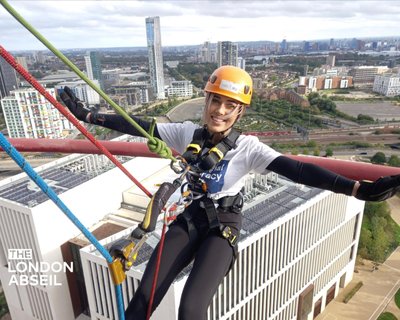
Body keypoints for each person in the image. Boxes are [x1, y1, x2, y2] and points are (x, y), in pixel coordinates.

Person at [60, 66, 400, 320]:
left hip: (222, 226)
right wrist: (87, 114)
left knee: (191, 309)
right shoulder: (185, 134)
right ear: (206, 100)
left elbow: (296, 169)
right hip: (190, 218)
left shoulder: (248, 149)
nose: (220, 110)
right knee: (142, 300)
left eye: (229, 105)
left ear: (239, 112)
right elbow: (137, 124)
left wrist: (356, 188)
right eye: (216, 100)